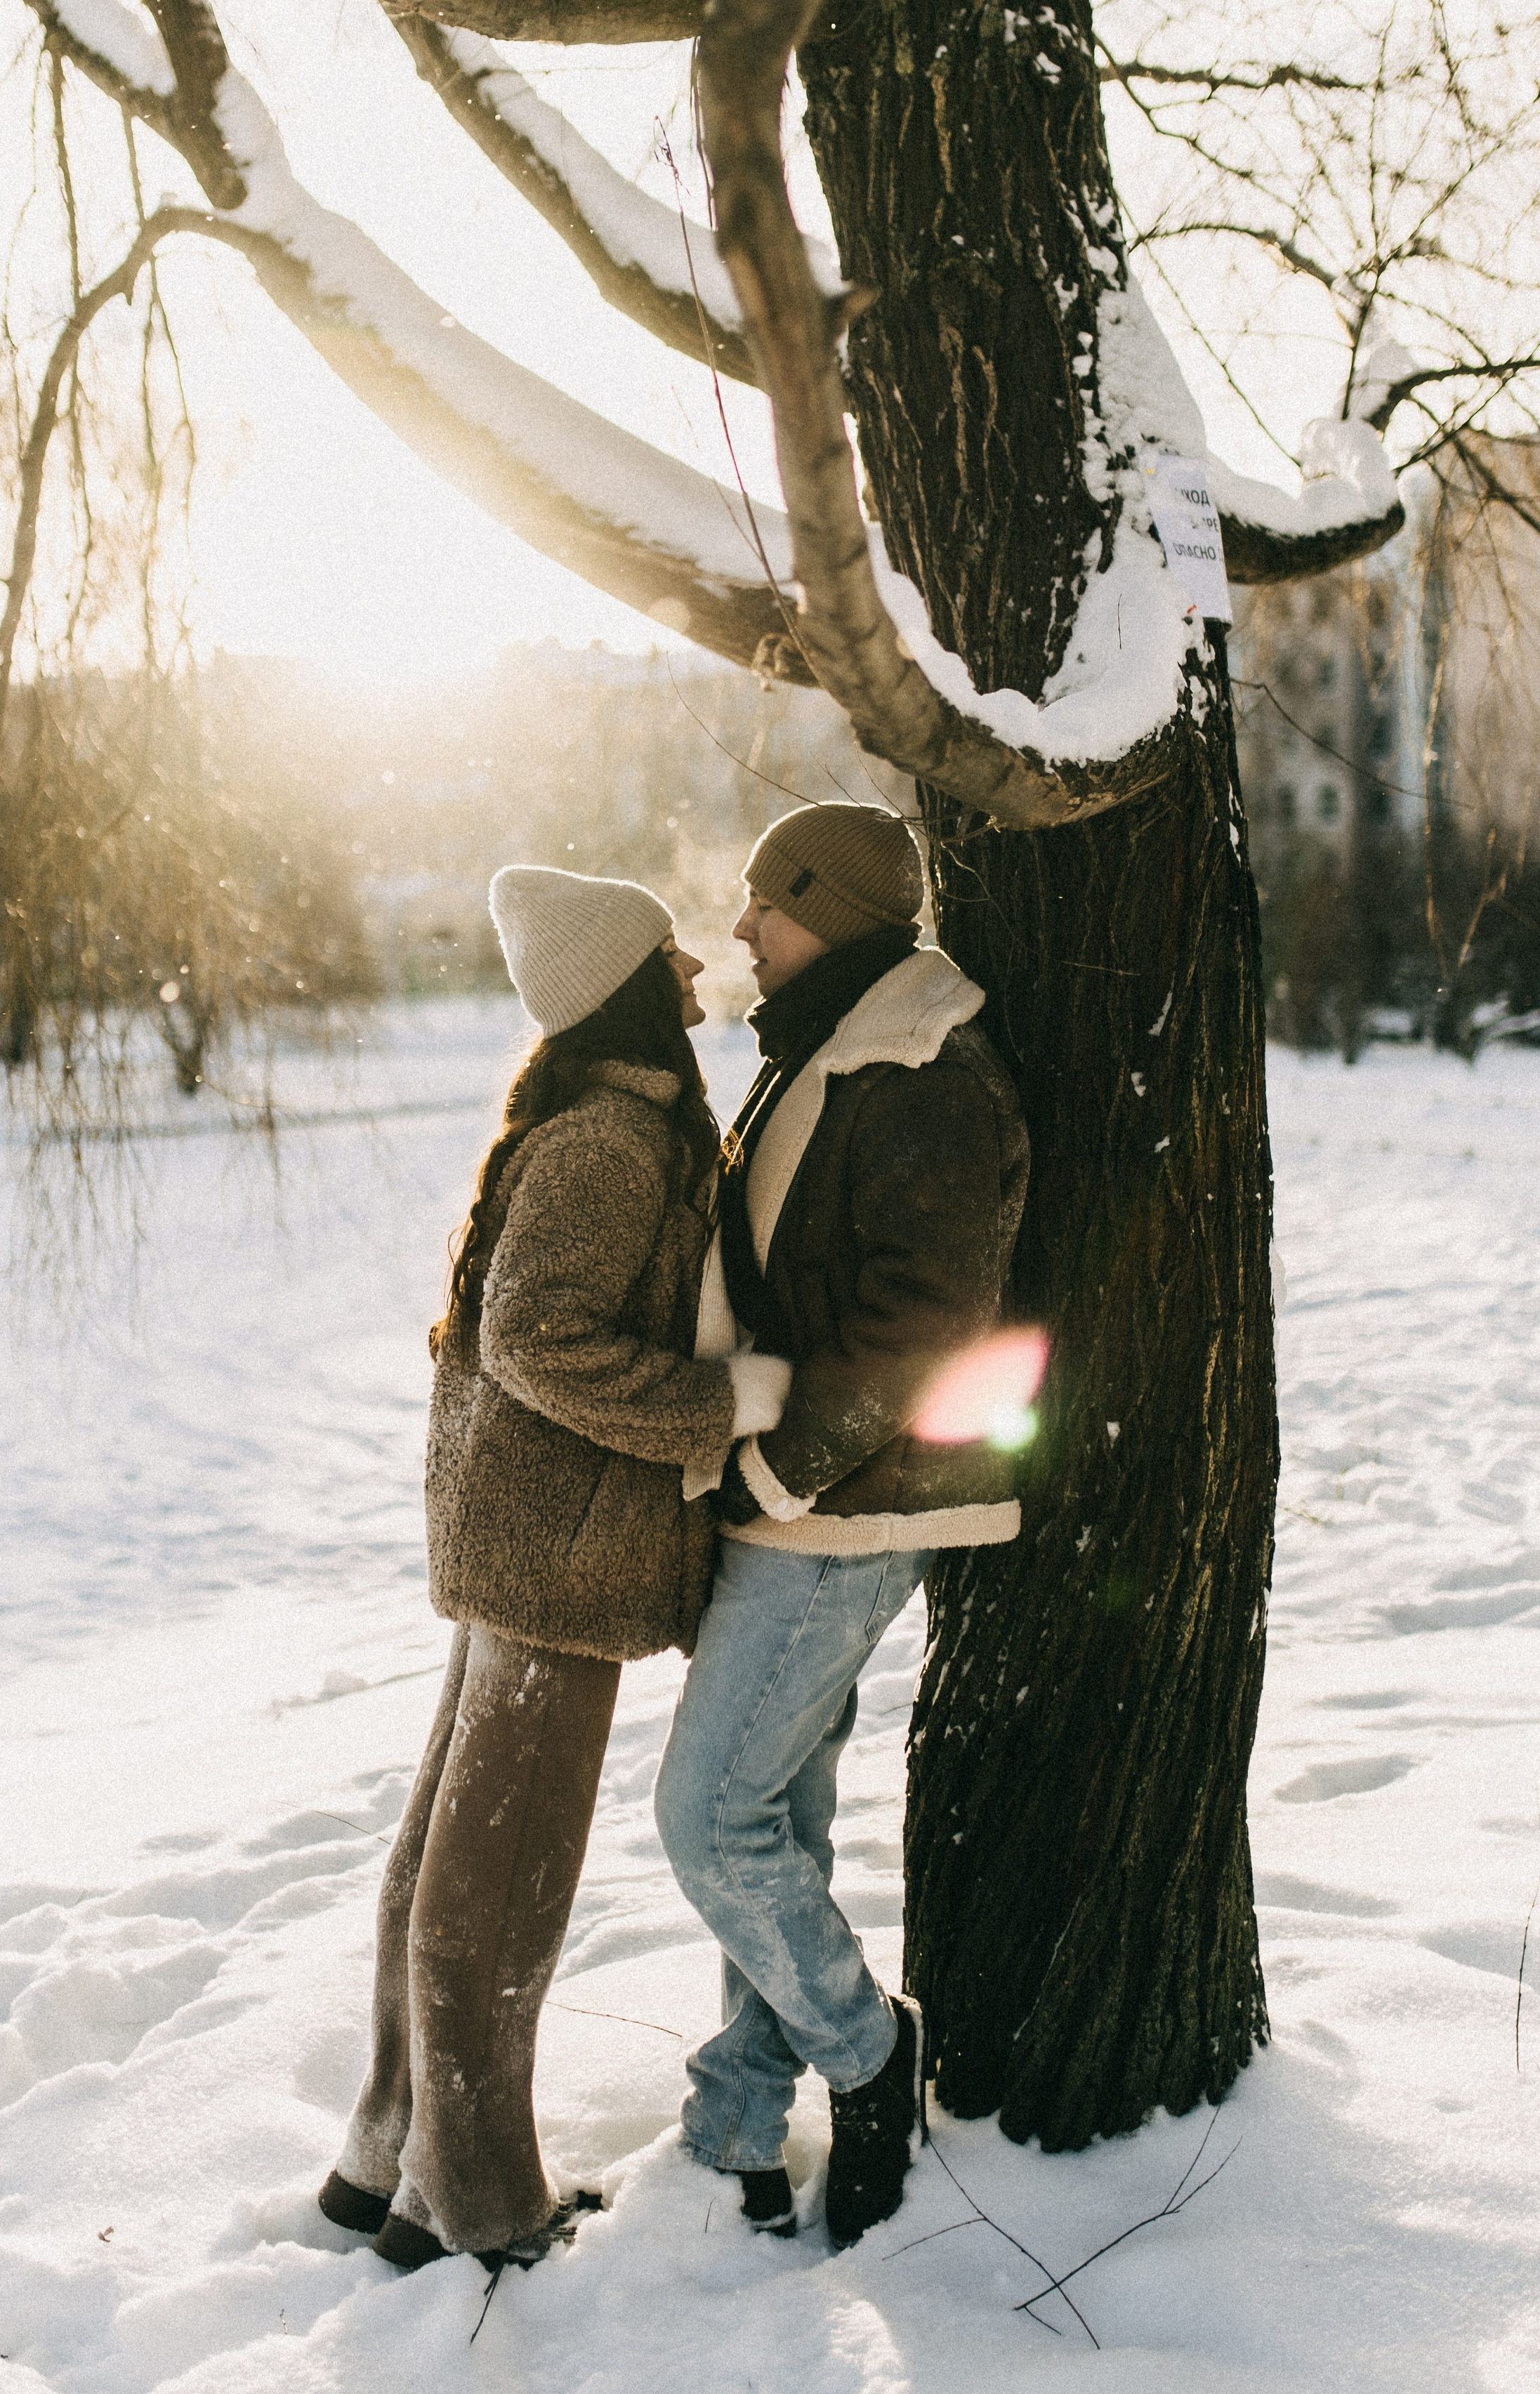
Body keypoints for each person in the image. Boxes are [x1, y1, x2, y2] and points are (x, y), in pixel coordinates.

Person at [318, 864, 792, 2274]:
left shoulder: (582, 1121)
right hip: (556, 1556)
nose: (700, 978)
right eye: (672, 959)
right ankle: (475, 2209)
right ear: (628, 984)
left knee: (437, 1866)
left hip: (518, 1540)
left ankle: (385, 2159)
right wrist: (728, 1402)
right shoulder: (608, 1139)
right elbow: (537, 1341)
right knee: (495, 1893)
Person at [654, 803, 1030, 2248]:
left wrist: (774, 1476)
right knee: (775, 1820)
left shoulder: (922, 1067)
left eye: (768, 901)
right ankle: (740, 2117)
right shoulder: (824, 1044)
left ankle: (870, 2059)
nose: (741, 928)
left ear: (837, 906)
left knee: (705, 1822)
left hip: (847, 1509)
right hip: (799, 1497)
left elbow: (919, 1330)